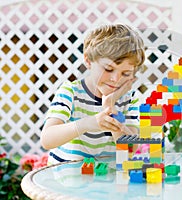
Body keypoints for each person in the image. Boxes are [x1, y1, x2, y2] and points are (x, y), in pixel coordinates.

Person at [41, 24, 145, 165]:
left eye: (125, 73)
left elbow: (130, 150)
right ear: (88, 61)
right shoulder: (71, 92)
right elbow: (47, 139)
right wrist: (88, 124)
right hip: (66, 181)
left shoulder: (130, 98)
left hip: (105, 181)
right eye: (108, 69)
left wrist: (110, 108)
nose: (116, 79)